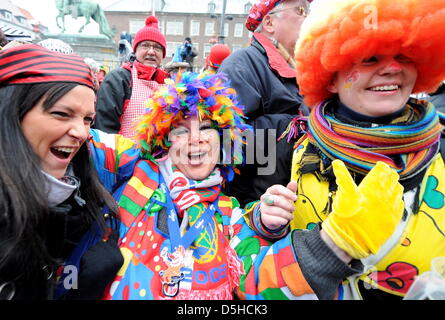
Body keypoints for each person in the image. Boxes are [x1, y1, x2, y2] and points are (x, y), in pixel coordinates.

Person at [243, 0, 445, 300]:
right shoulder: (291, 143)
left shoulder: (441, 147)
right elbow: (244, 258)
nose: (391, 68)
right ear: (332, 76)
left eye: (403, 55)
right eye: (369, 58)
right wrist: (264, 219)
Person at [88, 72, 261, 300]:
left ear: (223, 140)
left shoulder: (230, 214)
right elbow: (79, 138)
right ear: (164, 140)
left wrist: (319, 239)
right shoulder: (134, 168)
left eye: (207, 127)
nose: (196, 138)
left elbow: (262, 279)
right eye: (180, 130)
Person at [0, 44, 123, 300]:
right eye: (61, 114)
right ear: (12, 114)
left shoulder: (82, 190)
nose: (82, 132)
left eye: (88, 119)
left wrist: (77, 285)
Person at [218, 0, 311, 206]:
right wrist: (297, 129)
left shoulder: (304, 71)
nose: (308, 18)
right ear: (269, 23)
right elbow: (227, 145)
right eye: (301, 10)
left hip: (296, 201)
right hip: (256, 206)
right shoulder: (241, 64)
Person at [94, 15, 169, 138]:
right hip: (123, 155)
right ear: (135, 50)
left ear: (163, 54)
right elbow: (105, 129)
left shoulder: (169, 83)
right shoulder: (118, 79)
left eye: (157, 47)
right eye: (145, 45)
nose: (151, 51)